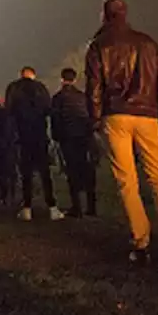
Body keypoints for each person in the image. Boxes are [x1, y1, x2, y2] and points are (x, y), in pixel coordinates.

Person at [85, 0, 158, 266]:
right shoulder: (147, 42)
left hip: (116, 114)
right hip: (147, 114)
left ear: (104, 16)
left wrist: (95, 119)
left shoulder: (99, 45)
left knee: (127, 181)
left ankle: (141, 241)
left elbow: (94, 86)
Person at [5, 67, 64, 221]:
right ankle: (52, 206)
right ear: (33, 75)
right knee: (45, 173)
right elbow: (48, 110)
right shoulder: (41, 88)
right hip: (39, 134)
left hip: (22, 136)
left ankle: (27, 208)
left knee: (26, 173)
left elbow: (9, 112)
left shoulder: (13, 88)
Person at [51, 68, 97, 218]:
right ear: (75, 79)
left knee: (71, 170)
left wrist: (56, 136)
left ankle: (76, 207)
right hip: (84, 136)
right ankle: (91, 206)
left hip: (68, 137)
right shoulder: (82, 96)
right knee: (87, 169)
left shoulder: (58, 97)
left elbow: (55, 118)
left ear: (62, 79)